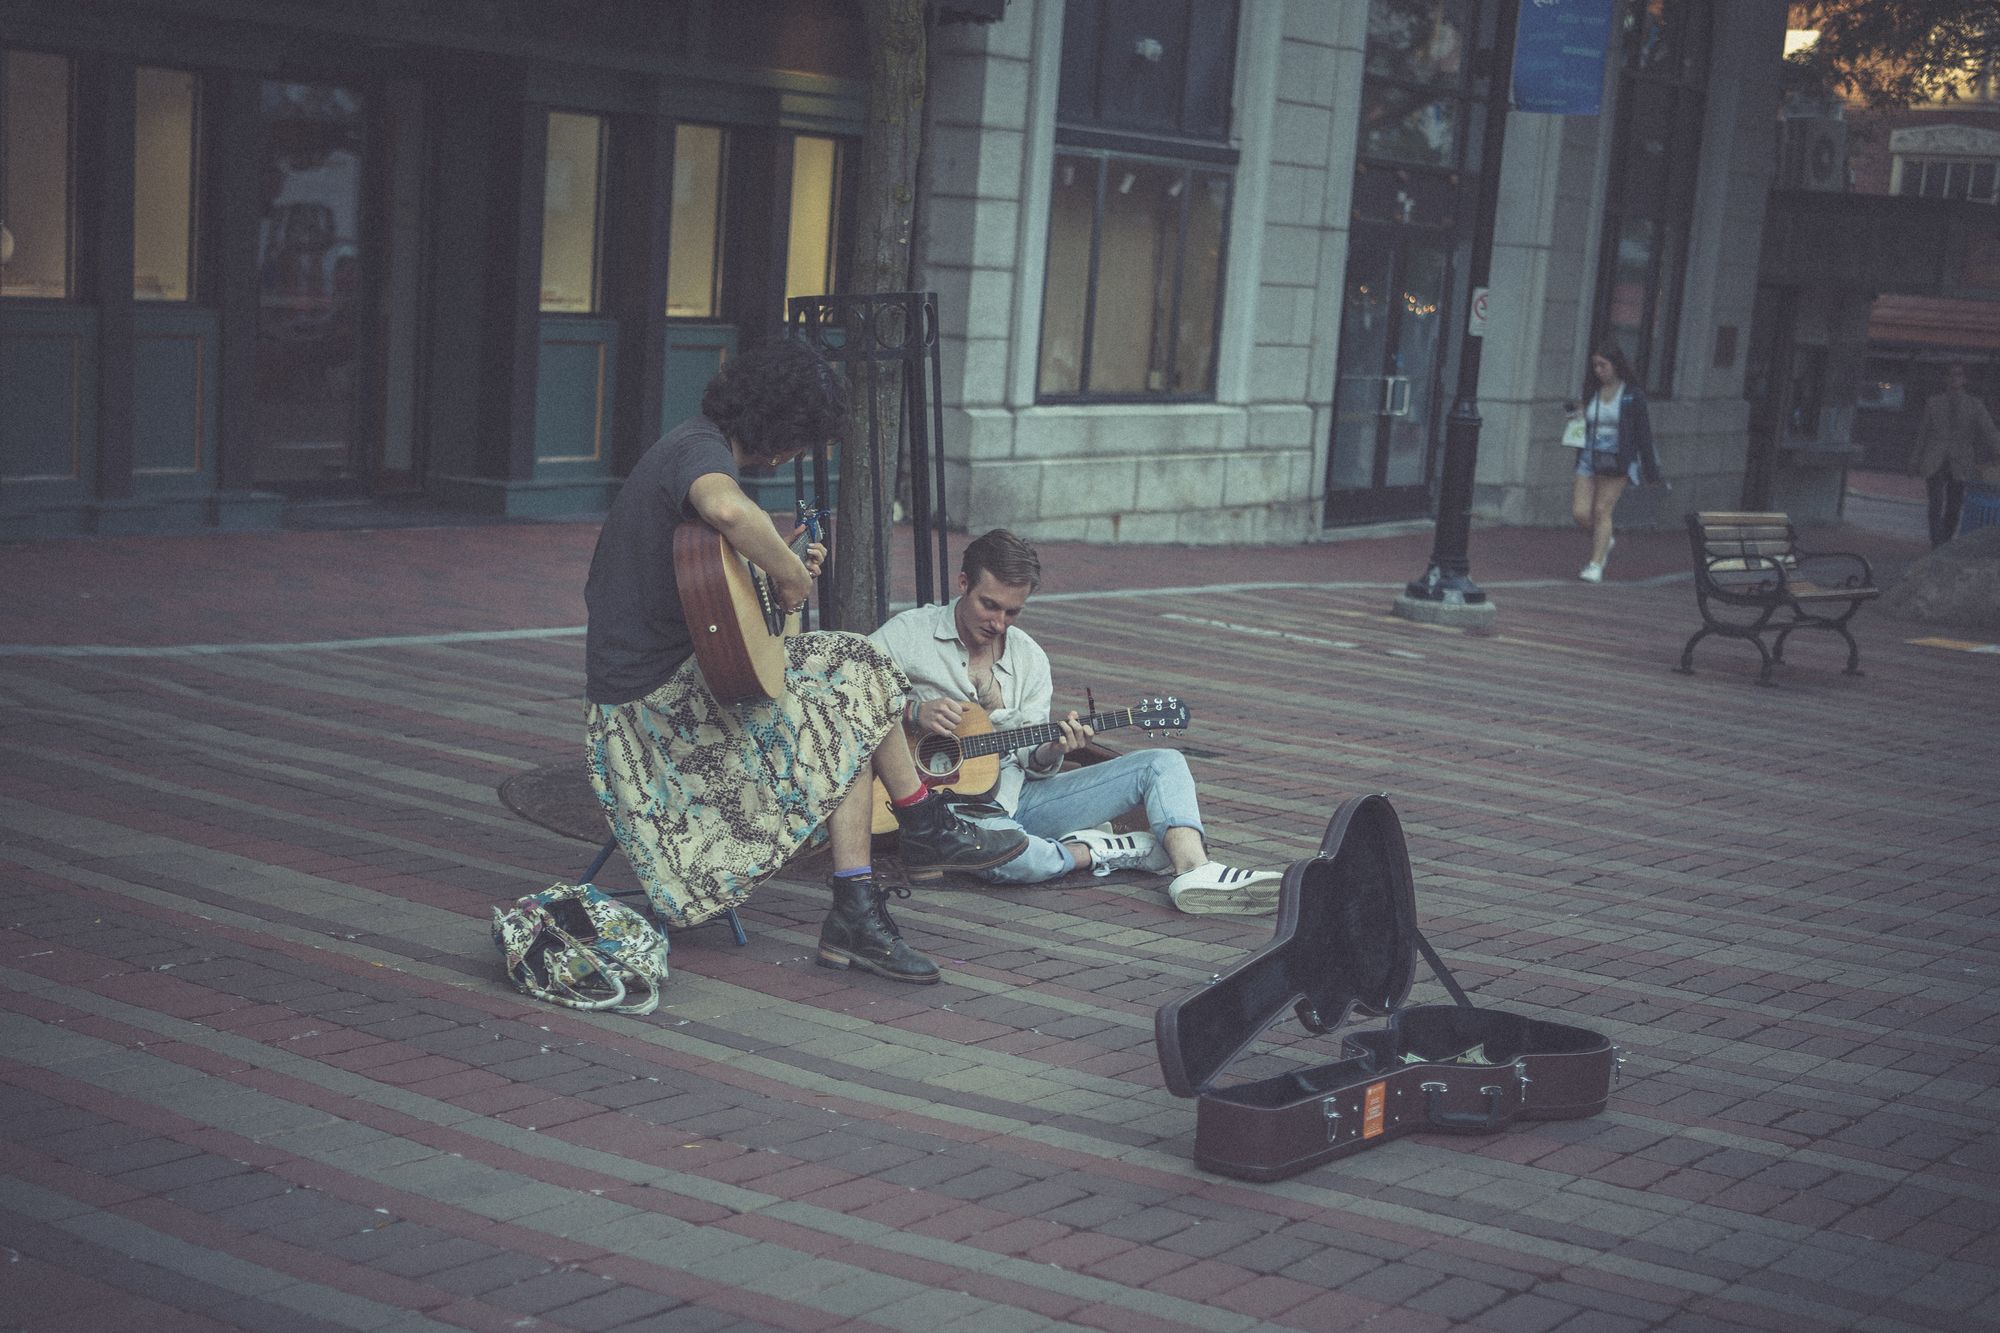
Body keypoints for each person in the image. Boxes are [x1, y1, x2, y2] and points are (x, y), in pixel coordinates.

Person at [582, 341, 1027, 986]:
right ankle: (915, 835)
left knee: (854, 682)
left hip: (685, 687)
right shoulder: (698, 451)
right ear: (780, 423)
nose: (794, 455)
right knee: (853, 686)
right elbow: (729, 510)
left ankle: (863, 899)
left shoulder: (695, 447)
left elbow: (753, 652)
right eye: (801, 439)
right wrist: (787, 573)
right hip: (646, 716)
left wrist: (772, 584)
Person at [869, 529, 1284, 915]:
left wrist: (1054, 748)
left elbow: (1032, 761)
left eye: (1012, 612)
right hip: (945, 812)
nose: (998, 623)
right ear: (963, 584)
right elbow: (844, 692)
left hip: (1019, 798)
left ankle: (1195, 870)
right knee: (1008, 858)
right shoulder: (910, 634)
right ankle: (1099, 850)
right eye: (989, 605)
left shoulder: (1029, 659)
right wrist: (912, 712)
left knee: (1163, 762)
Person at [1567, 342, 1663, 583]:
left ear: (1616, 365)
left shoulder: (1631, 395)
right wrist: (1574, 415)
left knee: (1602, 510)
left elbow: (1643, 433)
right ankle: (1604, 538)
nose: (1599, 370)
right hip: (1589, 456)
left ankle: (1595, 565)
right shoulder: (1590, 392)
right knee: (1580, 512)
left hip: (1618, 457)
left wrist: (1651, 471)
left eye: (1603, 365)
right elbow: (1580, 422)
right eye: (1595, 366)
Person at [1909, 362, 2000, 548]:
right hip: (1935, 459)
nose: (1954, 379)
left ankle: (1946, 541)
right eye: (1951, 375)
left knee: (1954, 505)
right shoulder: (1934, 403)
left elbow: (1989, 431)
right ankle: (1936, 541)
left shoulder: (1975, 405)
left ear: (1964, 379)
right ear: (1945, 378)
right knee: (1935, 503)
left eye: (1958, 375)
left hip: (1960, 461)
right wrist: (1915, 459)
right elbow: (1923, 434)